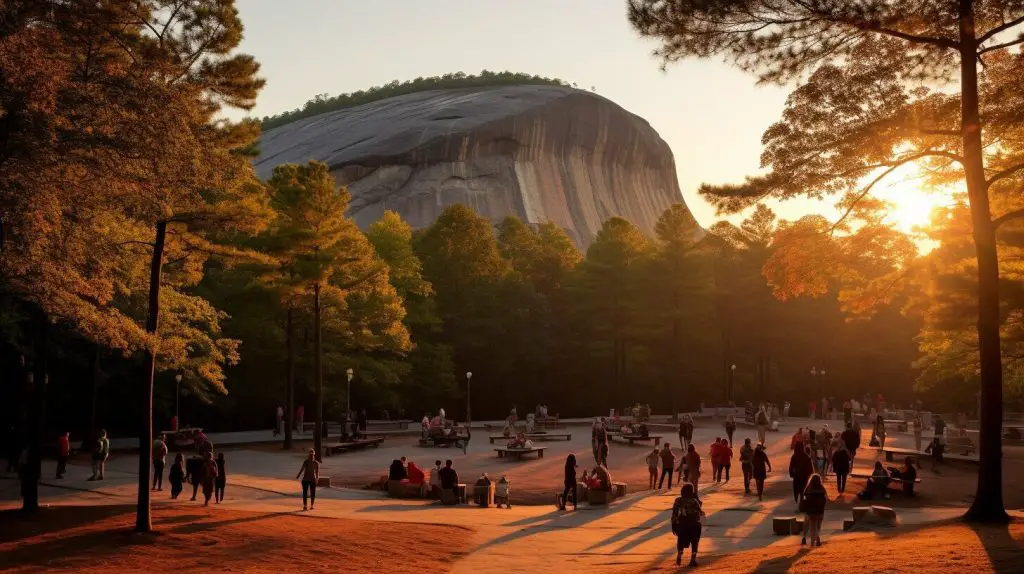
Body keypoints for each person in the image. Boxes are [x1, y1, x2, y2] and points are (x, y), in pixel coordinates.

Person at [671, 483, 704, 567]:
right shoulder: (694, 500)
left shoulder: (678, 500)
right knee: (695, 541)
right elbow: (700, 512)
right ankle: (693, 559)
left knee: (681, 540)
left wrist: (674, 526)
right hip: (694, 524)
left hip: (682, 523)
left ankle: (680, 553)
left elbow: (674, 514)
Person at [800, 474, 827, 546]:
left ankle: (805, 538)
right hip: (819, 511)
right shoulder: (822, 488)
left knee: (808, 525)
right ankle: (817, 537)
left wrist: (804, 507)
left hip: (810, 511)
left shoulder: (808, 488)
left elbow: (804, 499)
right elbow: (825, 499)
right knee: (818, 526)